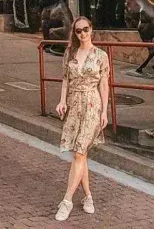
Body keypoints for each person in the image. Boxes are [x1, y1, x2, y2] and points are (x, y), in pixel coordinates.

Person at [54, 17, 109, 222]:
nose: (83, 34)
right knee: (81, 154)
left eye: (86, 29)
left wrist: (104, 111)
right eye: (78, 31)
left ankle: (67, 200)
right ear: (74, 33)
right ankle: (88, 197)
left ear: (91, 29)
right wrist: (62, 102)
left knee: (79, 152)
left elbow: (104, 85)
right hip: (74, 104)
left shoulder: (101, 56)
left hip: (92, 105)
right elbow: (66, 79)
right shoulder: (70, 53)